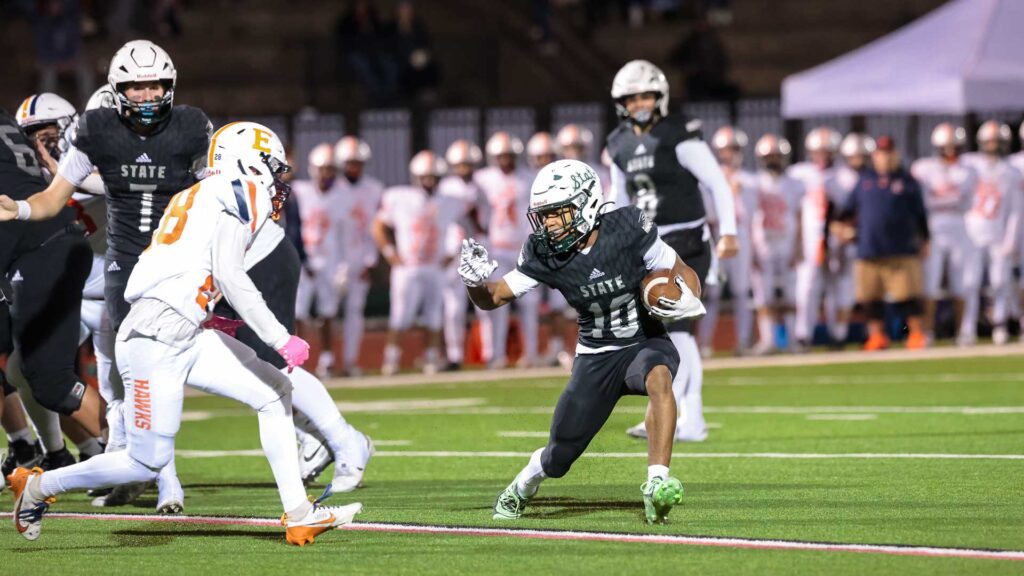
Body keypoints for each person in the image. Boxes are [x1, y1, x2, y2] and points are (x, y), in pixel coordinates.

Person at [7, 122, 361, 545]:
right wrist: (278, 337)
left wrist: (204, 308)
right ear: (248, 161)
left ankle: (300, 513)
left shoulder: (198, 192)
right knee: (144, 462)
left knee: (274, 391)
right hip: (157, 334)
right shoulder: (241, 188)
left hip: (179, 327)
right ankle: (37, 486)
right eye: (271, 166)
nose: (276, 178)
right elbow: (229, 273)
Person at [3, 40, 209, 511]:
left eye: (155, 85)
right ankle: (109, 463)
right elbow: (59, 195)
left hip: (163, 268)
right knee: (116, 383)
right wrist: (22, 207)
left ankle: (130, 468)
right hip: (115, 274)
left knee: (167, 376)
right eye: (136, 87)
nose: (146, 95)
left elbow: (200, 188)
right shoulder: (95, 131)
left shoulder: (186, 127)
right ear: (117, 92)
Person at [460, 159, 704, 523]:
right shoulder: (544, 251)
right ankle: (525, 483)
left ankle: (657, 483)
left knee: (659, 377)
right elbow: (494, 297)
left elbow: (680, 270)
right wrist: (474, 282)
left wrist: (688, 295)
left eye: (557, 213)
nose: (548, 224)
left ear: (587, 204)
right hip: (595, 356)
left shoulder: (627, 226)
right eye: (544, 215)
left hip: (644, 340)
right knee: (560, 456)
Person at [605, 60, 737, 444]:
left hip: (688, 242)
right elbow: (619, 198)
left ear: (660, 97)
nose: (639, 104)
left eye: (646, 95)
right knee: (665, 334)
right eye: (632, 98)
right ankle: (685, 419)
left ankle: (678, 415)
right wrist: (610, 241)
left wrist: (729, 232)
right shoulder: (617, 142)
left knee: (678, 330)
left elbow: (717, 183)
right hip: (648, 246)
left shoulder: (679, 132)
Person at [0, 109, 98, 474]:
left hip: (55, 254)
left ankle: (128, 454)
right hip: (49, 247)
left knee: (50, 379)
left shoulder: (87, 150)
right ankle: (74, 450)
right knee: (23, 370)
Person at [836, 136, 929, 350]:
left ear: (895, 155)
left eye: (889, 153)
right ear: (875, 156)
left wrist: (925, 240)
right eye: (880, 153)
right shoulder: (864, 181)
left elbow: (920, 215)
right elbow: (845, 212)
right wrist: (841, 229)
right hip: (869, 247)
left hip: (902, 248)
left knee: (909, 296)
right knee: (870, 298)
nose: (885, 158)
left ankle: (915, 334)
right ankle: (877, 336)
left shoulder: (907, 180)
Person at [373, 151, 459, 375]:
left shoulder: (449, 200)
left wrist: (453, 252)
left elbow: (462, 226)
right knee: (401, 316)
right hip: (408, 266)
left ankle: (431, 358)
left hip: (434, 266)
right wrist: (390, 253)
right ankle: (391, 359)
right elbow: (378, 226)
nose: (429, 181)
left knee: (434, 316)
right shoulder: (400, 197)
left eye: (433, 177)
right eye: (425, 177)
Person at [474, 132, 539, 369]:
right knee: (498, 305)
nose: (505, 160)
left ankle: (530, 354)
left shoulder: (528, 177)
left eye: (509, 155)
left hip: (523, 249)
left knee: (529, 304)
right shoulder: (482, 179)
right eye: (501, 156)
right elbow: (468, 207)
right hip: (496, 249)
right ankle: (496, 355)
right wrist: (478, 231)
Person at [909, 124, 976, 345]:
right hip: (933, 227)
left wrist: (943, 199)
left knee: (961, 282)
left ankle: (963, 331)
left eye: (954, 146)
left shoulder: (968, 170)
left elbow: (966, 202)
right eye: (946, 147)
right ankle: (927, 331)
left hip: (959, 226)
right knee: (930, 283)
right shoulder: (924, 168)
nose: (950, 151)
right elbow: (921, 201)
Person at [789, 127, 852, 349]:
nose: (822, 156)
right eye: (819, 151)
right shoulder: (799, 174)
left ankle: (838, 334)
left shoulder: (845, 176)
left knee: (838, 286)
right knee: (807, 287)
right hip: (810, 240)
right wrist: (796, 243)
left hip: (836, 240)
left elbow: (850, 211)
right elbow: (794, 211)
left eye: (827, 151)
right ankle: (803, 334)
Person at [960, 121, 1022, 345]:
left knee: (1000, 282)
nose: (993, 146)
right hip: (972, 234)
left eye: (997, 142)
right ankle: (967, 327)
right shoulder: (970, 165)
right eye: (989, 142)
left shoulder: (1012, 172)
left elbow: (1015, 209)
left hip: (998, 233)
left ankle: (1000, 323)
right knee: (970, 283)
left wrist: (1011, 239)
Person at [698, 126, 756, 356]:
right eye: (726, 149)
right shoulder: (709, 178)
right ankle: (704, 342)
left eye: (734, 149)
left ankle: (743, 341)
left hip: (741, 236)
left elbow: (751, 215)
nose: (730, 154)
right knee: (712, 293)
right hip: (717, 236)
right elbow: (708, 213)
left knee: (742, 292)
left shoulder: (749, 180)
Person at [328, 136, 382, 377]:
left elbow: (373, 227)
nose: (354, 167)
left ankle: (350, 361)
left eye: (357, 163)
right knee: (327, 311)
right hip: (331, 258)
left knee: (354, 311)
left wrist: (370, 260)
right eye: (350, 163)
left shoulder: (374, 189)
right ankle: (326, 361)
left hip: (359, 258)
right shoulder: (331, 188)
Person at [293, 143, 344, 376]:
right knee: (298, 313)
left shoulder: (343, 197)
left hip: (330, 261)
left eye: (330, 169)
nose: (326, 174)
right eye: (323, 169)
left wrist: (344, 266)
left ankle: (327, 359)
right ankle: (297, 359)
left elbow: (347, 235)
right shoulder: (299, 192)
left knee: (328, 312)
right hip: (303, 260)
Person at [749, 134, 803, 354]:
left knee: (791, 294)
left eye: (777, 156)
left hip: (787, 242)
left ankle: (792, 339)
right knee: (763, 295)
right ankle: (768, 339)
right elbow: (749, 218)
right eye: (769, 156)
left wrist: (799, 247)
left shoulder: (794, 184)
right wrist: (751, 250)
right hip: (762, 244)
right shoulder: (754, 184)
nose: (773, 160)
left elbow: (799, 216)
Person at [439, 139, 484, 371]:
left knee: (483, 305)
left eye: (468, 164)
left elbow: (481, 223)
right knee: (453, 308)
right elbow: (445, 222)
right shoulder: (446, 188)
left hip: (477, 251)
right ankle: (454, 355)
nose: (464, 169)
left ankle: (491, 354)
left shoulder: (481, 186)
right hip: (453, 253)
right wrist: (446, 251)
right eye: (460, 165)